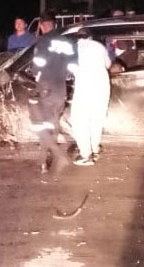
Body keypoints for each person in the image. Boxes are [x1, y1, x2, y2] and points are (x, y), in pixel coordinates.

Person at [29, 14, 76, 174]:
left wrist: (37, 74)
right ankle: (42, 162)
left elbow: (38, 65)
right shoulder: (68, 42)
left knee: (38, 123)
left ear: (42, 26)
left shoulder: (42, 41)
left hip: (45, 86)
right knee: (52, 123)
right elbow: (72, 68)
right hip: (61, 88)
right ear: (55, 25)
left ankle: (58, 154)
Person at [70, 29, 111, 166]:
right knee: (96, 119)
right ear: (91, 36)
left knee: (79, 121)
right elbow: (108, 65)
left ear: (78, 37)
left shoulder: (74, 49)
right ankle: (94, 149)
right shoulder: (100, 46)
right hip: (103, 87)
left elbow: (70, 69)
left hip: (85, 87)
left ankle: (86, 155)